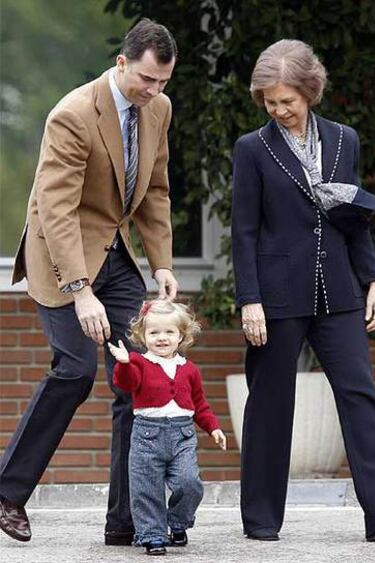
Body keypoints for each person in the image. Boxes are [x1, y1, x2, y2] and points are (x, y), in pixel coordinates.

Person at [0, 18, 180, 546]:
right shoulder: (74, 114)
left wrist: (163, 262)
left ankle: (127, 520)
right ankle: (8, 490)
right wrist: (81, 291)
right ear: (122, 63)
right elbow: (54, 210)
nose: (153, 92)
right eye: (146, 80)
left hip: (114, 252)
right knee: (75, 371)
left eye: (163, 83)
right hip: (62, 253)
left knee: (136, 378)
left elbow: (156, 191)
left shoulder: (159, 110)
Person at [231, 39, 375, 543]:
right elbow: (243, 230)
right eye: (269, 101)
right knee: (270, 401)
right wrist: (249, 299)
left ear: (310, 92)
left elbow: (354, 219)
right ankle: (262, 520)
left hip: (339, 289)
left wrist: (373, 280)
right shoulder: (252, 149)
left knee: (360, 393)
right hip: (276, 295)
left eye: (287, 100)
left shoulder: (343, 140)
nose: (278, 109)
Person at [108, 299, 226, 555]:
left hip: (182, 435)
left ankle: (177, 522)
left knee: (190, 483)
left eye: (169, 332)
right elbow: (126, 383)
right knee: (146, 489)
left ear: (181, 335)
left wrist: (213, 428)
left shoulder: (189, 369)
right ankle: (152, 536)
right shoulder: (139, 363)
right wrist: (124, 363)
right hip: (146, 435)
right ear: (142, 335)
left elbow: (199, 405)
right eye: (154, 332)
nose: (161, 338)